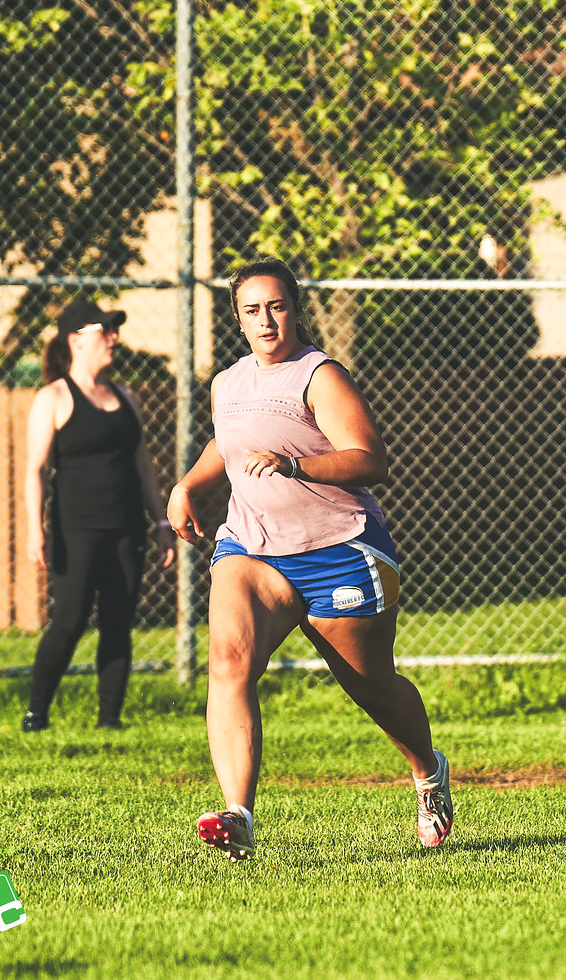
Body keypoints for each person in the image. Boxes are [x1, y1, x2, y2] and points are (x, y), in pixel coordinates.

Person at [167, 258, 452, 860]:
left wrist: (296, 464)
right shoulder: (227, 382)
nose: (266, 320)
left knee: (371, 685)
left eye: (277, 306)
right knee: (227, 659)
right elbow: (228, 440)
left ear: (295, 309)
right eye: (252, 310)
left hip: (340, 549)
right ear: (238, 319)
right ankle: (238, 814)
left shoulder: (319, 375)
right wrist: (187, 485)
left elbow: (368, 457)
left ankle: (428, 772)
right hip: (252, 546)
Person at [22, 300, 174, 732]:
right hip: (76, 531)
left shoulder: (125, 395)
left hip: (127, 528)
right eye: (104, 330)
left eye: (113, 330)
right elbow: (35, 469)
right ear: (76, 340)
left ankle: (110, 719)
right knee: (68, 622)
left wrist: (161, 522)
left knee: (117, 623)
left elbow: (143, 464)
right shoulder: (52, 397)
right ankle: (37, 713)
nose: (114, 338)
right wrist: (35, 530)